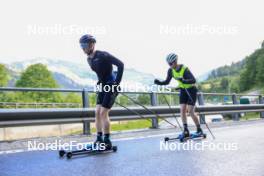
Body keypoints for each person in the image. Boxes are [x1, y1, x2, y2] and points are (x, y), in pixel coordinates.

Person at [79, 34, 124, 149]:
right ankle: (99, 138)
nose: (83, 48)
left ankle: (107, 140)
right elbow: (100, 73)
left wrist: (116, 83)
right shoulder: (89, 59)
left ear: (92, 44)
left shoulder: (103, 55)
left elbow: (120, 65)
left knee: (103, 112)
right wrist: (100, 82)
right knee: (97, 112)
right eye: (81, 45)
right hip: (103, 86)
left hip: (111, 85)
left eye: (84, 45)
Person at [154, 53, 203, 138]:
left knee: (190, 111)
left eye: (171, 63)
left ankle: (199, 130)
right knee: (182, 110)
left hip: (191, 90)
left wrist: (183, 80)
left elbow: (193, 80)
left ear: (176, 61)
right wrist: (159, 83)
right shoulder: (170, 71)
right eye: (168, 64)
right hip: (183, 90)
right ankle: (186, 130)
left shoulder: (184, 69)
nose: (170, 65)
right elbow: (167, 82)